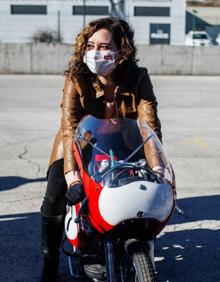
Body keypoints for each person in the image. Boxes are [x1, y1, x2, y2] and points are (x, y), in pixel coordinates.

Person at [40, 16, 164, 282]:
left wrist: (158, 167)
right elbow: (70, 127)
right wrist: (72, 177)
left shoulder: (138, 77)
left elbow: (149, 123)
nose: (97, 53)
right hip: (80, 146)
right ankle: (50, 260)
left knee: (144, 193)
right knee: (54, 195)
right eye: (91, 46)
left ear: (122, 50)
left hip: (125, 145)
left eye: (105, 46)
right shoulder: (76, 78)